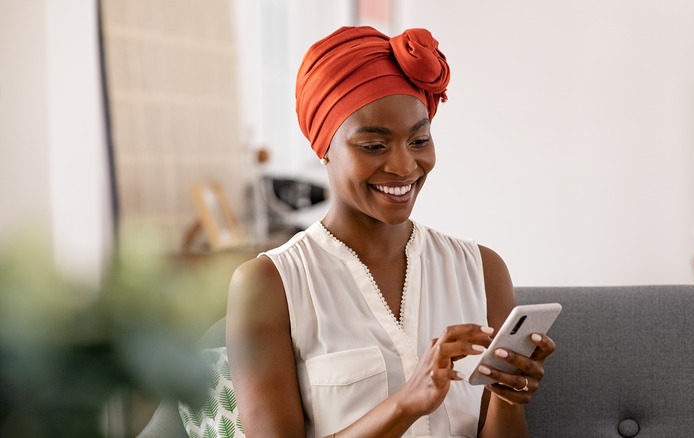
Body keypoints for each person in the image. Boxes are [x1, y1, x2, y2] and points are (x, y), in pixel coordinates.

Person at [226, 25, 556, 437]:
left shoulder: (483, 271)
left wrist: (508, 396)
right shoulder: (269, 285)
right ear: (323, 147)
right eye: (374, 146)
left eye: (419, 140)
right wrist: (405, 403)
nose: (403, 167)